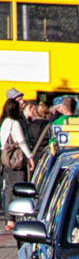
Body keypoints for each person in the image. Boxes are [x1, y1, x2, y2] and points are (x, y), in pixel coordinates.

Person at [1, 94, 32, 228]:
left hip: (6, 159)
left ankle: (9, 217)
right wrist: (30, 157)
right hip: (16, 160)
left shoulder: (4, 123)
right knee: (18, 187)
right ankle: (16, 215)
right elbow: (21, 142)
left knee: (8, 188)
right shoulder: (14, 123)